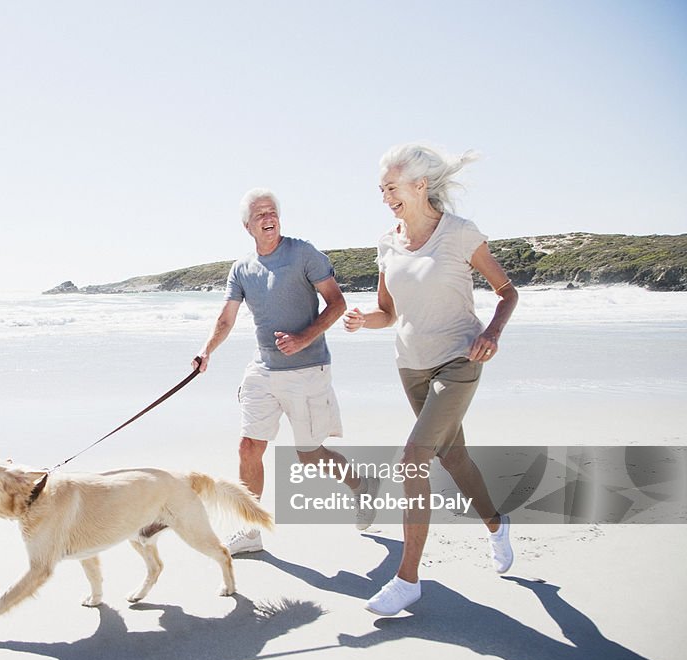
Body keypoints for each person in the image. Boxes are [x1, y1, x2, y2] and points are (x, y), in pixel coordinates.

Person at [344, 143, 519, 616]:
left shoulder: (461, 234)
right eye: (381, 189)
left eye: (392, 187)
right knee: (454, 456)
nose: (385, 196)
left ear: (421, 185)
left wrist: (492, 333)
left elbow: (507, 292)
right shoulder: (388, 241)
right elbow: (388, 313)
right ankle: (496, 524)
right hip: (411, 366)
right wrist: (365, 320)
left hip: (459, 360)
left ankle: (408, 579)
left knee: (413, 458)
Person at [194, 188, 378, 555]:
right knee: (249, 447)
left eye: (272, 211)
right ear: (248, 226)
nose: (268, 217)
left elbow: (337, 302)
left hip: (307, 368)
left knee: (309, 453)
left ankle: (361, 484)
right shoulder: (241, 269)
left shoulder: (303, 253)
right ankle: (250, 531)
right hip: (263, 369)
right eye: (260, 213)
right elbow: (226, 317)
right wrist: (206, 351)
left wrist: (303, 337)